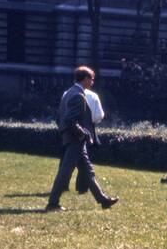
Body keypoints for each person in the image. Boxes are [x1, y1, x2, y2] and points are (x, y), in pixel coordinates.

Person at [45, 66, 119, 212]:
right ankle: (53, 203)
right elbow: (70, 121)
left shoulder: (68, 93)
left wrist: (66, 133)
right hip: (76, 140)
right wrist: (83, 134)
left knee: (87, 171)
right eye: (91, 79)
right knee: (65, 172)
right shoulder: (78, 95)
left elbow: (60, 118)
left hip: (74, 139)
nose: (92, 82)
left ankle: (103, 200)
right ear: (85, 79)